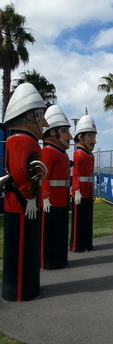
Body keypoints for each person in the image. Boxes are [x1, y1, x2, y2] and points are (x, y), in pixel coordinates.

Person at [2, 83, 48, 301]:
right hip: (21, 203)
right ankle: (20, 291)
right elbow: (20, 171)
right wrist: (29, 196)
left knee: (28, 245)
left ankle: (27, 287)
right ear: (30, 115)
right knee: (21, 246)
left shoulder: (26, 139)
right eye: (41, 115)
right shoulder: (21, 139)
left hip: (27, 201)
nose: (44, 123)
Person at [40, 105, 73, 269]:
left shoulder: (62, 153)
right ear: (53, 132)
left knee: (60, 230)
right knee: (50, 231)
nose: (70, 136)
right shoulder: (48, 151)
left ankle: (60, 258)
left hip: (62, 198)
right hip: (52, 199)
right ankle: (49, 260)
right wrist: (45, 196)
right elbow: (44, 176)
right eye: (65, 131)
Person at [70, 115, 97, 252]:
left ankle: (87, 243)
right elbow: (75, 174)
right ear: (81, 137)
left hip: (88, 191)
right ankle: (77, 244)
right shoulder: (78, 154)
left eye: (94, 136)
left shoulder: (90, 155)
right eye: (90, 136)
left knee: (87, 219)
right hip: (80, 192)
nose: (94, 140)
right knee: (78, 220)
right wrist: (76, 189)